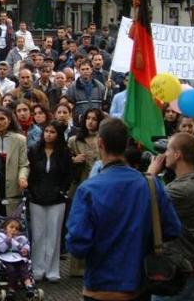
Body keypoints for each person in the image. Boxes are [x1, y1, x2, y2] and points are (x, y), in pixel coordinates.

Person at [66, 118, 181, 301]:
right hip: (139, 285)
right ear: (126, 143)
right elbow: (172, 229)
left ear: (100, 142)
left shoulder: (88, 189)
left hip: (100, 287)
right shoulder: (150, 184)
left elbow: (77, 244)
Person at [147, 132, 194, 301]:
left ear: (177, 154)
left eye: (168, 149)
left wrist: (151, 175)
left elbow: (145, 201)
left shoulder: (182, 190)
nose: (164, 154)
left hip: (180, 272)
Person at [27, 120, 72, 283]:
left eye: (52, 132)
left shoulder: (64, 152)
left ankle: (52, 271)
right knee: (38, 234)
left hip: (57, 198)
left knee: (54, 234)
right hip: (36, 197)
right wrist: (31, 191)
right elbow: (30, 173)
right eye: (46, 131)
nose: (48, 134)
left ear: (58, 135)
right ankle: (37, 269)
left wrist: (61, 190)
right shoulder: (34, 151)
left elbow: (68, 174)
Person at [0, 218, 35, 299]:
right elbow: (0, 248)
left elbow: (26, 244)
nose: (14, 230)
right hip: (5, 257)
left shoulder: (21, 237)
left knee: (24, 268)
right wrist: (8, 239)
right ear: (5, 228)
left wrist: (26, 249)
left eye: (16, 228)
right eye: (11, 227)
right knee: (11, 270)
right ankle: (11, 289)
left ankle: (29, 286)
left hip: (18, 257)